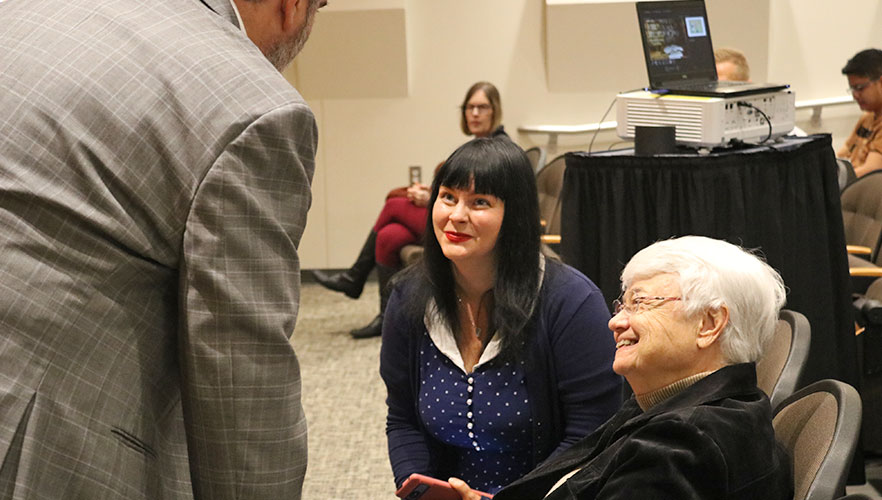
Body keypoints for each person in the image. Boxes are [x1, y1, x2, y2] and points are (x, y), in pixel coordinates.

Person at [0, 0, 324, 498]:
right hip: (38, 451)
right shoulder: (252, 105)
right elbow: (243, 402)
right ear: (294, 6)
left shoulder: (24, 10)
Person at [449, 236, 794, 500]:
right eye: (622, 304)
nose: (616, 321)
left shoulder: (684, 442)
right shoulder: (674, 407)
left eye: (640, 303)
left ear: (709, 323)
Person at [380, 137, 622, 494]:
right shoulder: (408, 296)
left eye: (479, 202)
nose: (456, 215)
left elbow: (591, 436)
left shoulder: (572, 302)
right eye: (448, 197)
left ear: (515, 216)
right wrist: (422, 491)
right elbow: (402, 420)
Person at [314, 81, 507, 339]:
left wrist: (430, 199)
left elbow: (480, 201)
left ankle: (354, 277)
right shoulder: (472, 147)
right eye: (469, 107)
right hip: (455, 215)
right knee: (389, 236)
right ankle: (385, 317)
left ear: (494, 110)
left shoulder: (502, 150)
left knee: (394, 205)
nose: (474, 114)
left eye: (481, 107)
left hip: (471, 223)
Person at [839, 49, 882, 177]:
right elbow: (841, 156)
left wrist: (832, 183)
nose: (855, 95)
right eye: (852, 89)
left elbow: (872, 171)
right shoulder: (867, 118)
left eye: (860, 88)